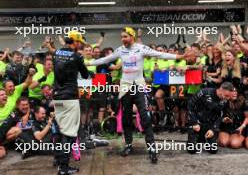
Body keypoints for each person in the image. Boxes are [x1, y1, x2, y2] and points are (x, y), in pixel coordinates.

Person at [86, 27, 186, 164]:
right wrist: (88, 63)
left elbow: (159, 54)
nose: (123, 39)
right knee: (126, 117)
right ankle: (128, 145)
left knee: (144, 117)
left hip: (138, 85)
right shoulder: (120, 50)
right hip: (126, 86)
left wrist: (177, 57)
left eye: (125, 37)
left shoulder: (141, 48)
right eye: (121, 37)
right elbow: (105, 59)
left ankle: (152, 148)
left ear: (132, 37)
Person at [53, 30, 91, 175]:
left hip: (57, 97)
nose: (80, 45)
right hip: (69, 98)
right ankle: (63, 167)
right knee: (69, 134)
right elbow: (86, 75)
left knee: (61, 130)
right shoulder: (76, 57)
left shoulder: (56, 53)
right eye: (80, 42)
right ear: (74, 41)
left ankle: (58, 160)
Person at [187, 82, 234, 154]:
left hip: (210, 125)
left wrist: (213, 129)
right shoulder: (204, 92)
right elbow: (190, 105)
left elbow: (221, 116)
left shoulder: (225, 101)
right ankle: (197, 138)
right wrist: (194, 122)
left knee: (213, 150)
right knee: (191, 149)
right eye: (226, 95)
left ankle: (205, 139)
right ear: (221, 89)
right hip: (197, 122)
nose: (227, 98)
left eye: (229, 97)